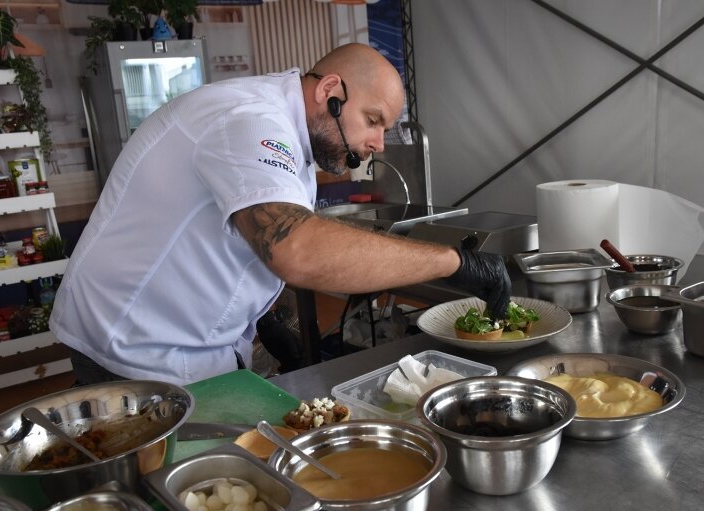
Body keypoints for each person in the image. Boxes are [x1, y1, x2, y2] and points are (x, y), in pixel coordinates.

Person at [49, 43, 511, 386]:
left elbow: (230, 236)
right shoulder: (251, 120)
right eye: (373, 121)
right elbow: (297, 249)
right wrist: (456, 263)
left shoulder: (280, 126)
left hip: (178, 341)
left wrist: (264, 322)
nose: (377, 144)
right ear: (331, 90)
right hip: (136, 355)